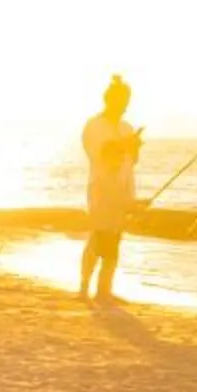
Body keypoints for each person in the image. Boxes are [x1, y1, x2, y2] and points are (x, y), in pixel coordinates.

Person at [78, 76, 142, 306]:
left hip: (123, 188)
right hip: (101, 189)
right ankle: (84, 287)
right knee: (99, 237)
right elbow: (104, 152)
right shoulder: (95, 125)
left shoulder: (126, 127)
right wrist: (127, 144)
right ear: (109, 100)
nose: (124, 105)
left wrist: (134, 148)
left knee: (115, 238)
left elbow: (131, 160)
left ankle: (104, 289)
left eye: (126, 100)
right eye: (121, 100)